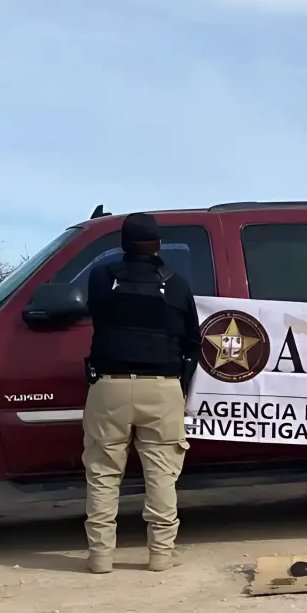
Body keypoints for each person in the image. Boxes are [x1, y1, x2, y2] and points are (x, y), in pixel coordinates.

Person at [81, 212, 201, 574]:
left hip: (110, 387)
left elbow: (98, 314)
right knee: (162, 475)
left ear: (122, 243)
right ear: (159, 244)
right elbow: (193, 343)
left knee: (103, 475)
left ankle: (101, 557)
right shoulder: (177, 285)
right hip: (161, 390)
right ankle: (161, 554)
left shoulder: (102, 279)